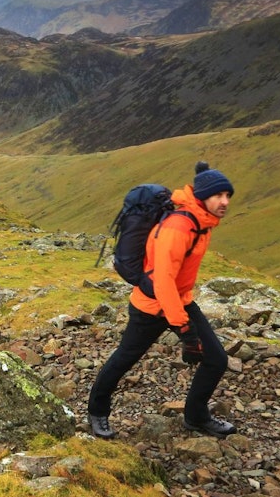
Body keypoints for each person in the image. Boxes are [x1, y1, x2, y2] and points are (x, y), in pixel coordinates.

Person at [87, 163, 236, 439]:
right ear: (202, 196)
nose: (224, 202)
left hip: (179, 300)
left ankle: (196, 416)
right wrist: (184, 330)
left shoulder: (202, 222)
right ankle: (97, 412)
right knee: (125, 358)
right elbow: (163, 281)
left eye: (228, 196)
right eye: (218, 195)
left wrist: (184, 320)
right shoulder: (179, 227)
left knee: (216, 358)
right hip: (151, 306)